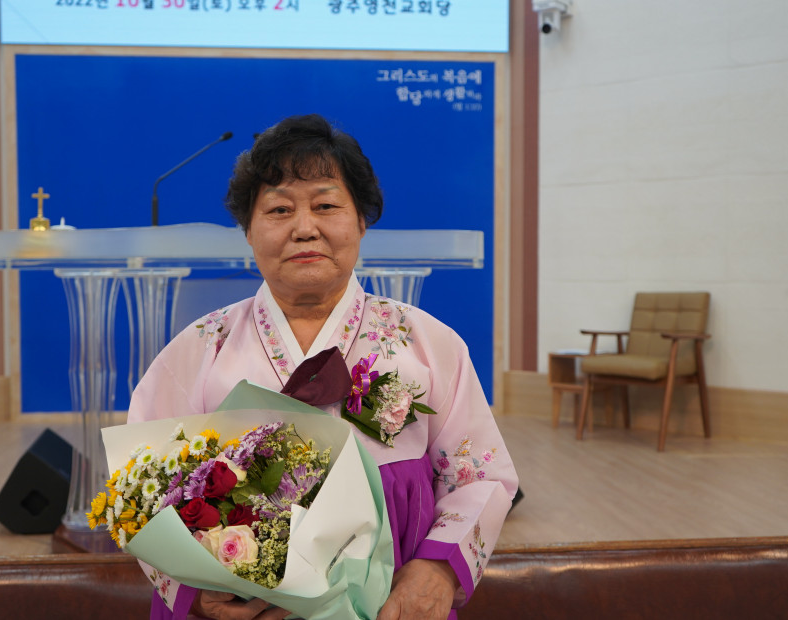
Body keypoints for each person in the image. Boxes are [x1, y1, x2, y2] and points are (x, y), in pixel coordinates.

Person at [127, 114, 518, 620]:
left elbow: (480, 477)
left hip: (391, 604)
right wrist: (200, 596)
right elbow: (141, 489)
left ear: (361, 222)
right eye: (279, 209)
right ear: (248, 231)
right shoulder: (201, 348)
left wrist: (437, 571)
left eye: (326, 205)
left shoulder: (426, 343)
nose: (304, 228)